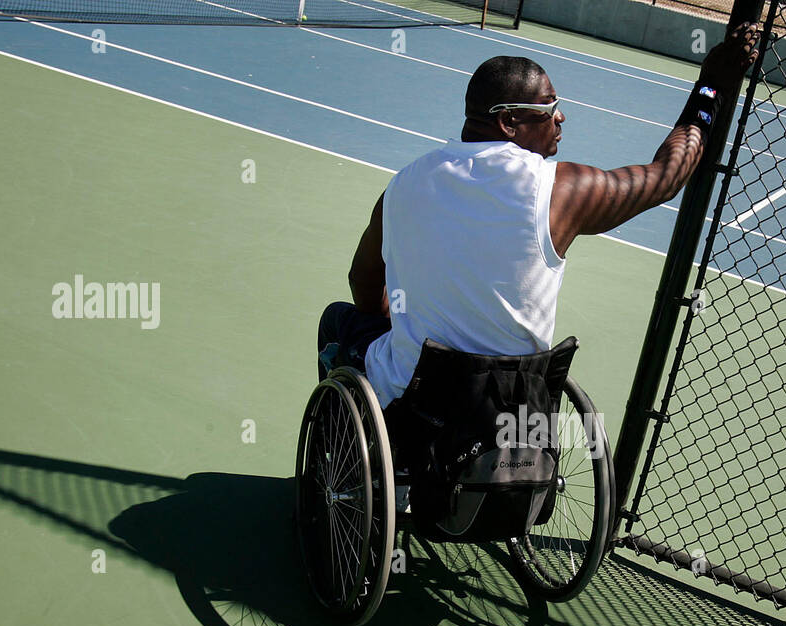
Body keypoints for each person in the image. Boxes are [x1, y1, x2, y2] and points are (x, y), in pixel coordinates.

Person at [318, 22, 761, 409]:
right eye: (550, 108)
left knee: (339, 321)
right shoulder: (560, 191)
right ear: (509, 122)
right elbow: (666, 176)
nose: (561, 116)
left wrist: (399, 328)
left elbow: (364, 279)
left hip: (416, 395)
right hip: (515, 405)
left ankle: (343, 467)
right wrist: (710, 88)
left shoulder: (402, 185)